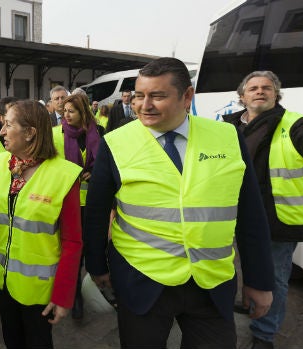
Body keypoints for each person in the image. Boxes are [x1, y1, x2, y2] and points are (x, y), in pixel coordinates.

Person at [85, 57, 275, 347]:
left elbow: (250, 213)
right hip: (142, 280)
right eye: (139, 95)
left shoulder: (227, 136)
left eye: (157, 96)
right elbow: (97, 212)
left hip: (211, 282)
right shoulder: (116, 141)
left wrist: (259, 280)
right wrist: (98, 268)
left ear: (187, 96)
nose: (144, 105)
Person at [0, 100, 82, 349]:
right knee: (11, 338)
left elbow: (72, 242)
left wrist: (64, 296)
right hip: (2, 278)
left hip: (39, 287)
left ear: (30, 132)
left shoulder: (63, 175)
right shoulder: (2, 163)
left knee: (38, 342)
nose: (1, 131)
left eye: (8, 124)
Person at [223, 71, 303, 349]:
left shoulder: (298, 124)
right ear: (242, 96)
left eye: (267, 88)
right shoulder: (230, 126)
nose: (260, 91)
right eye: (253, 88)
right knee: (236, 266)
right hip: (231, 214)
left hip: (275, 219)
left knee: (274, 279)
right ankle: (251, 301)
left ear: (276, 94)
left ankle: (264, 335)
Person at [53, 93, 102, 320]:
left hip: (91, 203)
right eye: (64, 111)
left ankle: (86, 291)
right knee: (71, 251)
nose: (66, 115)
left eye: (71, 111)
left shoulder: (97, 133)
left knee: (87, 249)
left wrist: (96, 173)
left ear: (83, 113)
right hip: (67, 203)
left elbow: (105, 164)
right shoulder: (57, 134)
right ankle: (75, 299)